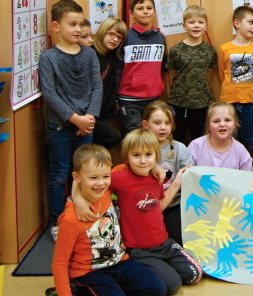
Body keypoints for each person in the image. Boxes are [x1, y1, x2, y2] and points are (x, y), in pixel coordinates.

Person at [74, 129, 203, 295]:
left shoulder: (156, 176)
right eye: (136, 155)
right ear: (127, 157)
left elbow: (158, 206)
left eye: (148, 155)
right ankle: (145, 271)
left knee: (194, 275)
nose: (143, 161)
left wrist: (176, 182)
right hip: (139, 250)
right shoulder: (120, 178)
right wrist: (77, 198)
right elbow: (85, 177)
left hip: (164, 243)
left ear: (156, 156)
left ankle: (159, 267)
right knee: (172, 285)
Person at [51, 144, 166, 296]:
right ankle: (77, 289)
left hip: (120, 262)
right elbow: (59, 263)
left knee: (158, 289)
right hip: (89, 272)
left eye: (106, 176)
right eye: (93, 178)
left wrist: (155, 167)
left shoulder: (106, 190)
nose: (101, 183)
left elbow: (131, 166)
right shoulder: (70, 219)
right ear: (77, 178)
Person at [39, 0, 102, 242]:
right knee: (59, 174)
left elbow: (97, 86)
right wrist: (76, 120)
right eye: (72, 24)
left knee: (85, 173)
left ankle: (83, 216)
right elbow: (50, 94)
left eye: (80, 24)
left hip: (86, 124)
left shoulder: (89, 54)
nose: (78, 29)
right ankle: (57, 221)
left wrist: (90, 118)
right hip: (60, 126)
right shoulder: (49, 58)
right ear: (56, 26)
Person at [217, 6, 253, 167]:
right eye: (251, 22)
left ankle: (250, 174)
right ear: (237, 23)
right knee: (227, 141)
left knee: (250, 142)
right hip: (228, 103)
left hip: (251, 103)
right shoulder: (224, 48)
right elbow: (222, 75)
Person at [141, 100, 193, 246]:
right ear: (145, 125)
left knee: (176, 240)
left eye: (167, 123)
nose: (163, 127)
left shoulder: (179, 148)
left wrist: (189, 171)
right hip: (147, 206)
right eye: (157, 123)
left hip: (174, 205)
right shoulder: (139, 149)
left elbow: (190, 176)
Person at [166, 5, 217, 145]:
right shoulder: (175, 50)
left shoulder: (210, 51)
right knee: (176, 140)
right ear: (184, 26)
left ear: (206, 26)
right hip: (178, 103)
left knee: (200, 141)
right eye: (191, 22)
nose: (196, 26)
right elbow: (171, 77)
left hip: (202, 104)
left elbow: (209, 76)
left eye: (200, 22)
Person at [117, 0, 167, 135]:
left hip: (153, 99)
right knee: (134, 140)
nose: (145, 12)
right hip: (129, 100)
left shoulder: (160, 37)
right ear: (131, 13)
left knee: (153, 139)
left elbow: (163, 66)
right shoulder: (125, 37)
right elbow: (117, 69)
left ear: (154, 11)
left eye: (149, 8)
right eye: (140, 8)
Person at [92, 17, 127, 151]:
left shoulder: (114, 55)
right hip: (87, 114)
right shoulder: (91, 53)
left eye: (119, 37)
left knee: (96, 152)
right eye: (111, 34)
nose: (115, 39)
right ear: (103, 31)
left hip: (104, 112)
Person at [187, 102, 253, 171]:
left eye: (227, 120)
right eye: (216, 121)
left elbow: (249, 176)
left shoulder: (240, 151)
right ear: (208, 126)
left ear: (234, 124)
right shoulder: (196, 146)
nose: (222, 124)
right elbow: (187, 174)